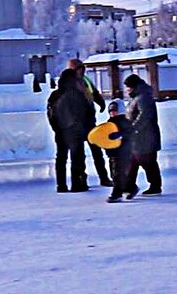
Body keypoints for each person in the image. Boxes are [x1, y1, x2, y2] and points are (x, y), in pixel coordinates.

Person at [68, 58, 113, 187]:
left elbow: (94, 92)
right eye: (78, 69)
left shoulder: (86, 80)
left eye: (82, 69)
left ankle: (104, 177)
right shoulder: (69, 83)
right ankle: (82, 179)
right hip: (77, 124)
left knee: (97, 152)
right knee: (79, 155)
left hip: (89, 122)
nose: (81, 71)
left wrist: (101, 103)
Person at [47, 68, 92, 193]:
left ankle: (61, 185)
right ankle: (77, 184)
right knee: (77, 158)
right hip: (75, 132)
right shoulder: (78, 94)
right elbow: (87, 113)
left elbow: (50, 115)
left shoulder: (55, 95)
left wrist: (56, 128)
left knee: (61, 159)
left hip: (60, 131)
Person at [123, 74, 162, 197]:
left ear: (134, 87)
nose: (127, 90)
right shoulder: (137, 97)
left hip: (145, 137)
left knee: (147, 162)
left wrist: (133, 128)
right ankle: (129, 186)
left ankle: (155, 186)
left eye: (128, 87)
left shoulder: (143, 98)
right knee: (132, 162)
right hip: (138, 137)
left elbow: (145, 116)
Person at [101, 99, 133, 203]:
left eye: (115, 111)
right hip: (112, 153)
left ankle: (117, 194)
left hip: (123, 152)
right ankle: (130, 187)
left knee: (118, 173)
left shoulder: (124, 121)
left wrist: (120, 135)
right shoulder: (109, 122)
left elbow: (129, 133)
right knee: (114, 174)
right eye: (110, 111)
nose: (112, 113)